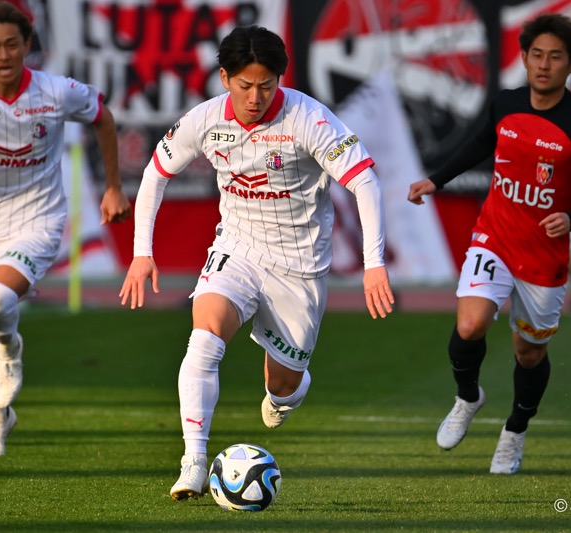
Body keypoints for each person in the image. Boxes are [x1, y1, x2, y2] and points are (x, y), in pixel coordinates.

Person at [119, 25, 394, 500]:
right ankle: (194, 461)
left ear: (280, 79)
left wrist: (374, 263)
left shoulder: (309, 117)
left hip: (300, 265)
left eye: (266, 85)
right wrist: (142, 253)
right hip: (239, 248)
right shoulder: (205, 119)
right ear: (225, 78)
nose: (255, 97)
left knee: (283, 385)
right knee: (203, 336)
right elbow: (155, 174)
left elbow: (365, 182)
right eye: (245, 85)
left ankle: (286, 393)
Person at [407, 13, 571, 474]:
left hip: (543, 256)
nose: (544, 65)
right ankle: (468, 398)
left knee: (530, 353)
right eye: (537, 55)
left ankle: (516, 430)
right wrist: (435, 179)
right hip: (495, 237)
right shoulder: (505, 104)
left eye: (556, 57)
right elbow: (477, 144)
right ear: (523, 58)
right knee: (470, 324)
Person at [0, 2, 131, 457]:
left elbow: (102, 116)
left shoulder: (56, 91)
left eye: (12, 44)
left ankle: (12, 348)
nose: (4, 55)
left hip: (38, 218)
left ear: (27, 45)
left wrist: (113, 187)